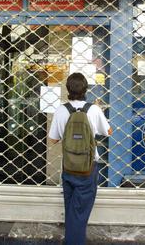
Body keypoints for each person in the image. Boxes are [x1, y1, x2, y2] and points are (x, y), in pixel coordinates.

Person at [48, 73, 112, 245]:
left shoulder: (61, 110)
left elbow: (53, 139)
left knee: (71, 210)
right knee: (79, 213)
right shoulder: (94, 109)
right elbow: (108, 132)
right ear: (86, 89)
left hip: (68, 167)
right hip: (88, 168)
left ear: (68, 89)